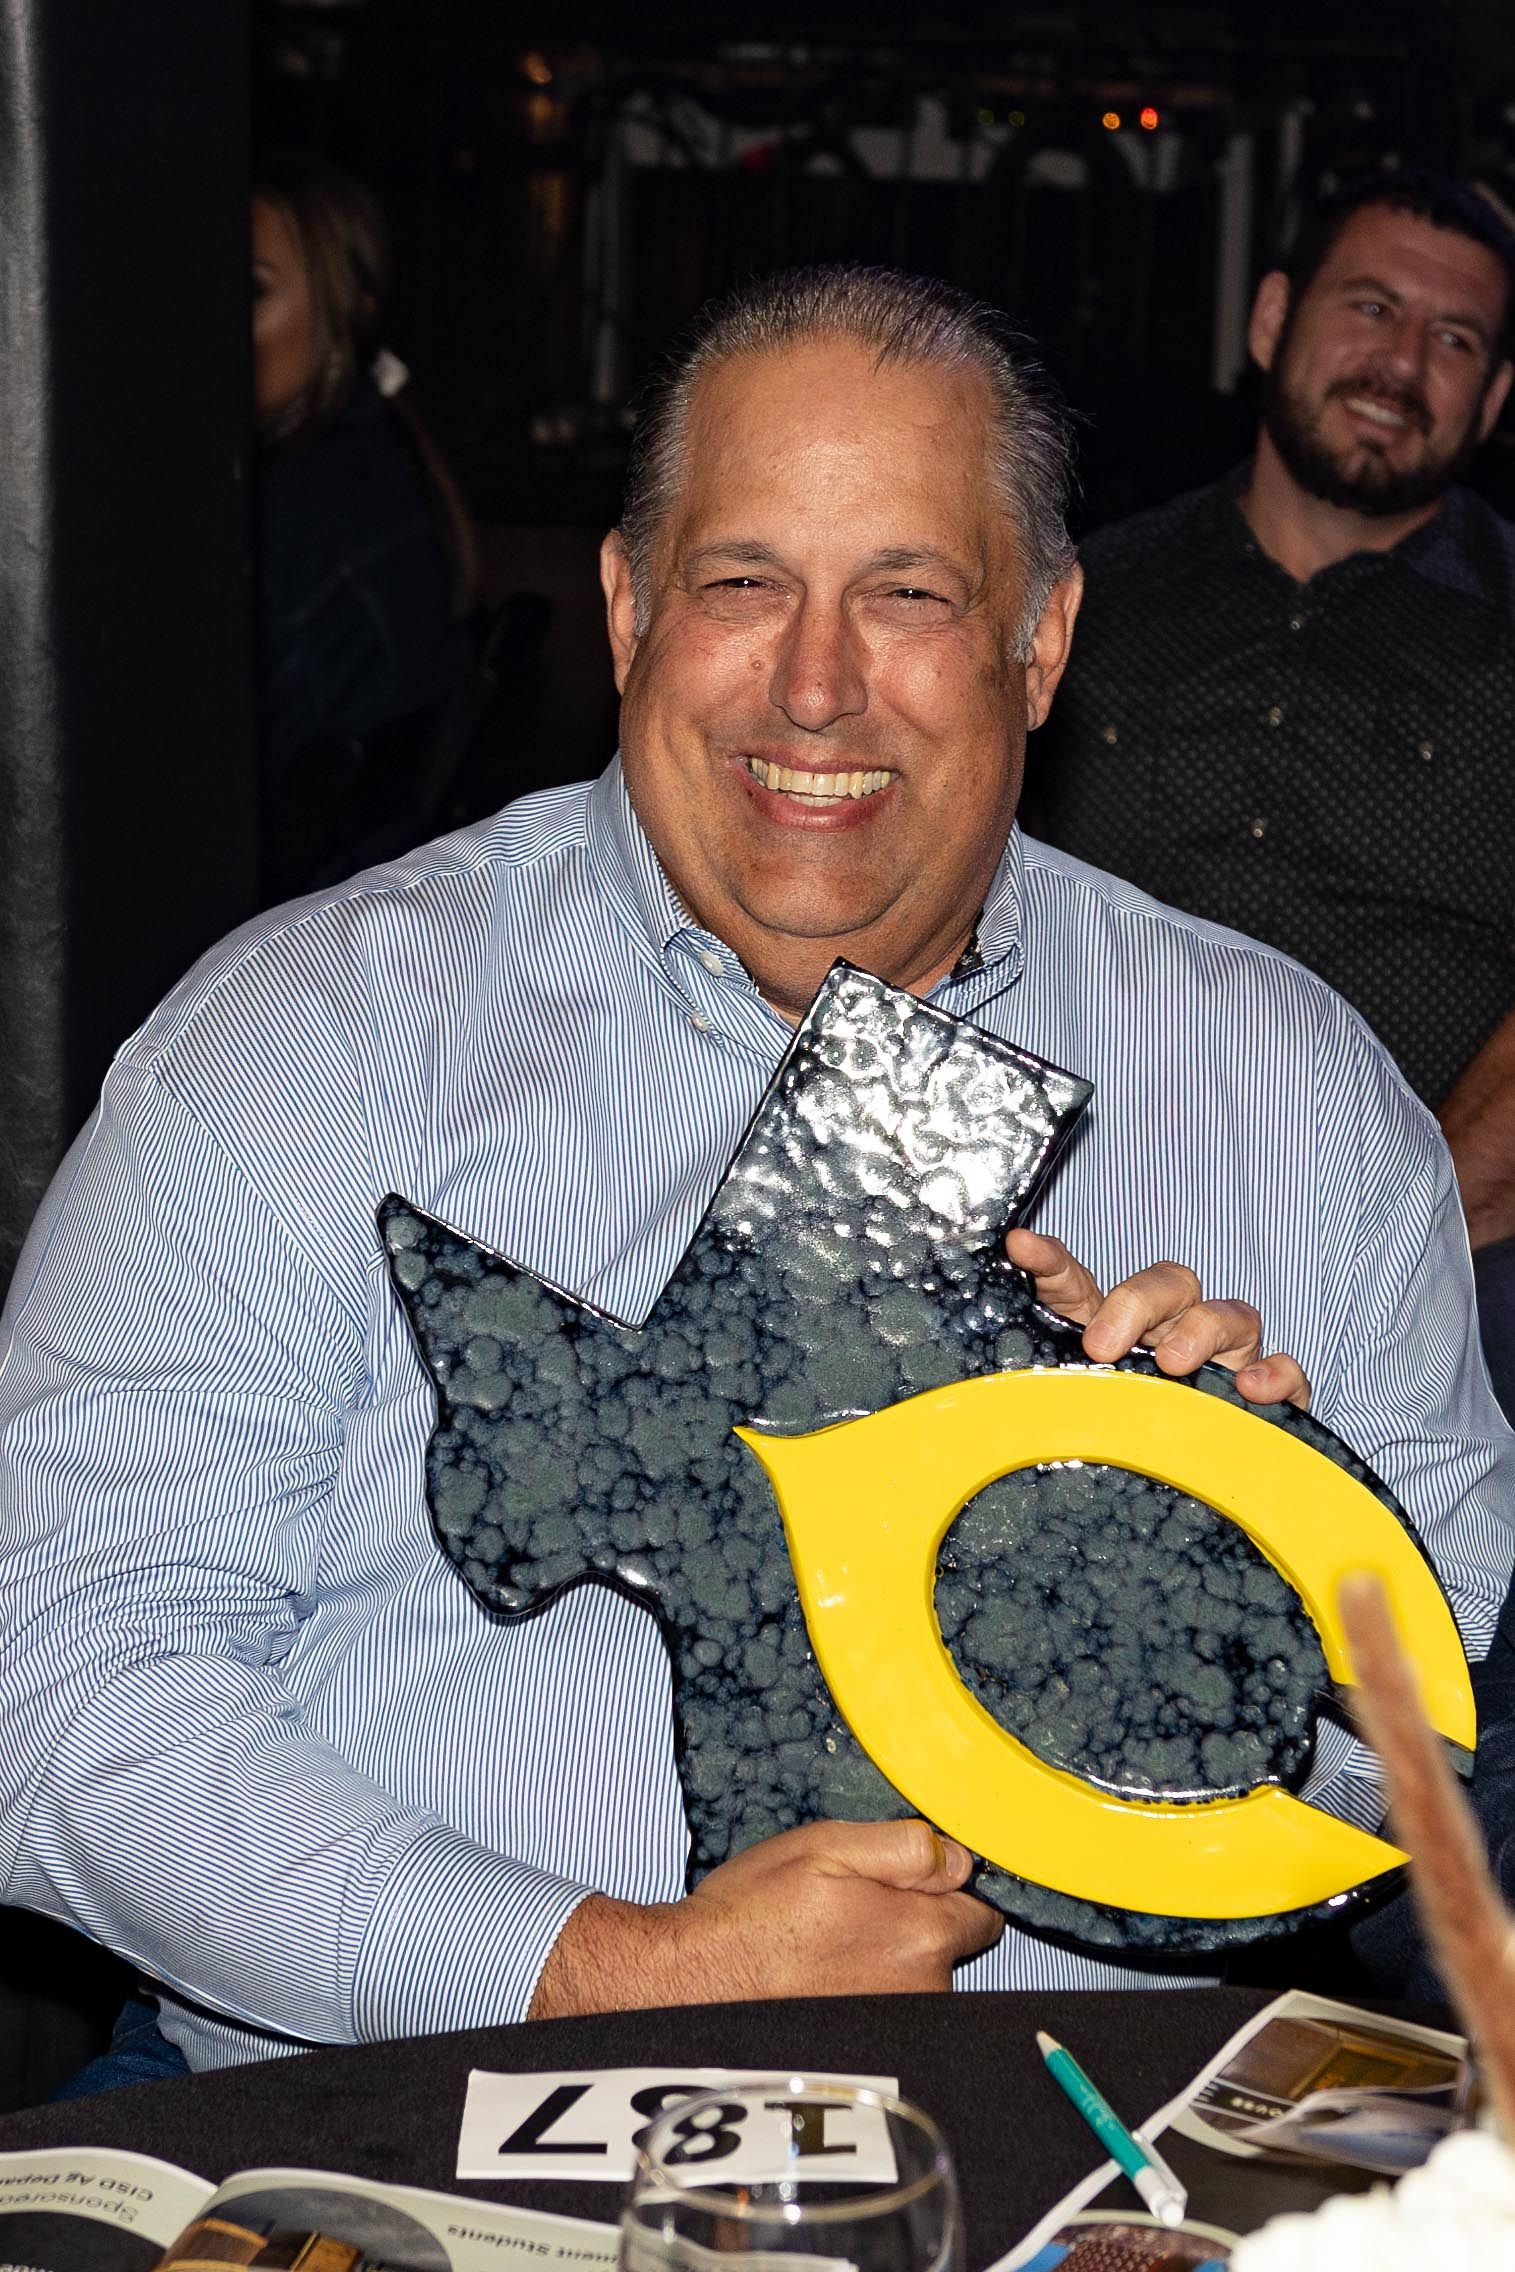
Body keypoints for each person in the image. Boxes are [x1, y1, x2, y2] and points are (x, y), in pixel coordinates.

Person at [1, 267, 1510, 2079]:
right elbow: (65, 1679)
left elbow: (1433, 1756)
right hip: (427, 2131)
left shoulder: (1306, 1105)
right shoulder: (308, 1039)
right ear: (629, 610)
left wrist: (1199, 1607)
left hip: (1072, 2165)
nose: (815, 688)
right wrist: (595, 1969)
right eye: (744, 584)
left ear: (1043, 637)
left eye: (910, 594)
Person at [1026, 170, 1515, 1408]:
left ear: (1497, 396)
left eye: (1453, 339)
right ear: (1269, 322)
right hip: (1071, 1247)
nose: (1402, 364)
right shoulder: (1085, 602)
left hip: (1456, 1273)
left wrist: (1386, 1263)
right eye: (1369, 308)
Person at [252, 152, 476, 899]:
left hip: (305, 922)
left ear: (346, 306)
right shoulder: (380, 453)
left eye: (250, 291)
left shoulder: (298, 507)